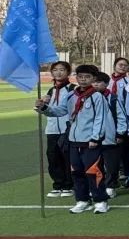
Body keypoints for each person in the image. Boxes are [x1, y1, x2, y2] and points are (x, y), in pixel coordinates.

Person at [36, 65, 108, 214]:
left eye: (87, 77)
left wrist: (95, 137)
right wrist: (44, 108)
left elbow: (100, 118)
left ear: (93, 79)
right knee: (77, 172)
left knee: (93, 172)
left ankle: (100, 200)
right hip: (73, 140)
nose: (83, 80)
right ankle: (82, 200)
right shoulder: (71, 96)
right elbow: (60, 111)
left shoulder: (97, 97)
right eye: (80, 77)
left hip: (90, 141)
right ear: (76, 77)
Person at [43, 61, 75, 197]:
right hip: (52, 129)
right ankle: (58, 184)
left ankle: (69, 185)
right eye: (55, 70)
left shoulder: (72, 89)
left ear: (68, 72)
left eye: (62, 69)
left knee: (66, 157)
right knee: (52, 156)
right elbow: (48, 109)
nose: (58, 72)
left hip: (66, 128)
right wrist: (42, 104)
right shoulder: (51, 90)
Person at [91, 72, 122, 199]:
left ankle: (111, 186)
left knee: (111, 165)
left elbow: (121, 117)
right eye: (94, 82)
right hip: (94, 139)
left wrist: (120, 133)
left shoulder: (113, 98)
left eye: (98, 82)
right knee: (95, 165)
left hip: (110, 137)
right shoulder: (89, 98)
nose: (95, 85)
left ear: (107, 83)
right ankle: (98, 187)